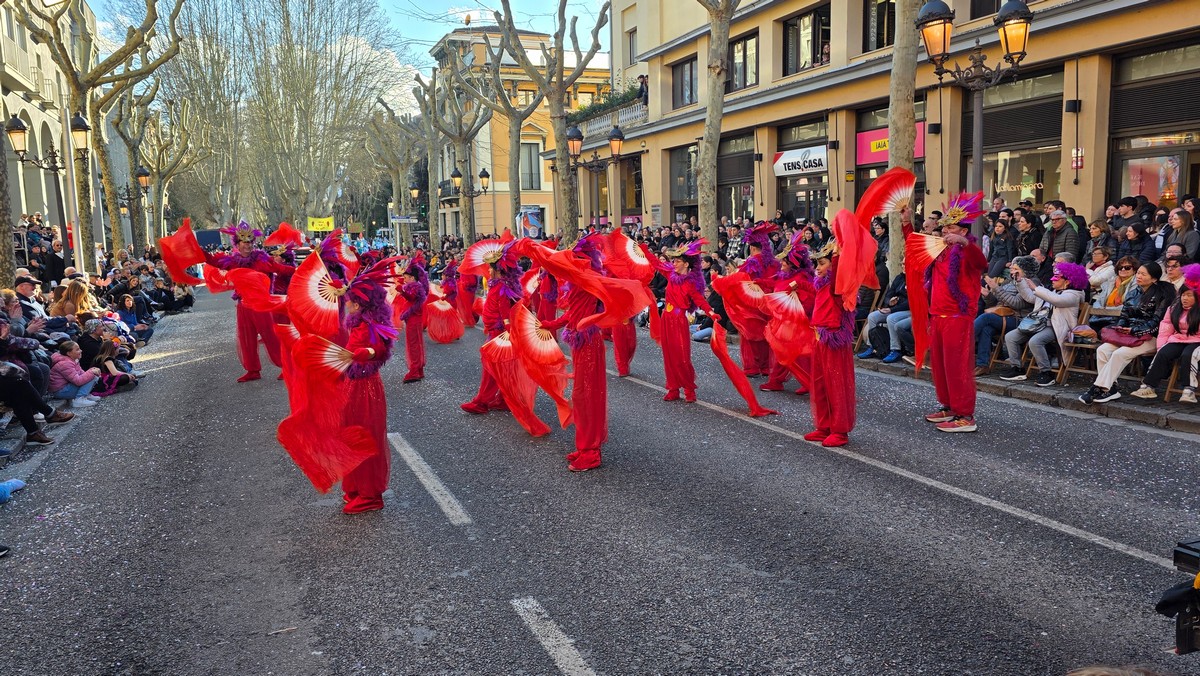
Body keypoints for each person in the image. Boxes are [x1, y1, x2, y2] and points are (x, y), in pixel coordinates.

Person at [916, 193, 988, 432]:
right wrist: (906, 223)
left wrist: (965, 243)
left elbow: (982, 264)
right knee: (940, 366)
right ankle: (949, 406)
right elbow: (914, 248)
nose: (946, 232)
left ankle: (965, 416)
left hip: (957, 315)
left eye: (952, 228)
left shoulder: (967, 251)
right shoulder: (940, 250)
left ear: (964, 231)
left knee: (957, 367)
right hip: (937, 314)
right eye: (945, 228)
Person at [204, 221, 295, 382]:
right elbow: (213, 261)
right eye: (244, 242)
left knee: (271, 337)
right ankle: (253, 371)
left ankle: (286, 366)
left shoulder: (262, 260)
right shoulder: (232, 262)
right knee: (247, 339)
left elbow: (281, 269)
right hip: (243, 305)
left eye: (250, 242)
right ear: (237, 244)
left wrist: (301, 269)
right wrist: (196, 250)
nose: (248, 245)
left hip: (261, 305)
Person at [1079, 261, 1175, 404]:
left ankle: (1098, 387)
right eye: (1138, 273)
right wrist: (1121, 327)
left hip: (1150, 336)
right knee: (1103, 350)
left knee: (1120, 353)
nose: (1139, 276)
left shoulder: (1163, 294)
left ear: (1154, 278)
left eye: (1143, 274)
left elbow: (1158, 320)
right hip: (1128, 335)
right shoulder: (1132, 293)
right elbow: (1124, 316)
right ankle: (1111, 388)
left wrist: (1135, 330)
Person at [998, 262, 1087, 386]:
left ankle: (1046, 373)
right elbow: (1030, 297)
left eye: (1056, 277)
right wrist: (1020, 282)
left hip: (1056, 327)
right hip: (1038, 323)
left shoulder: (1073, 295)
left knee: (1035, 341)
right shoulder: (1051, 291)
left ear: (1067, 281)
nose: (1052, 279)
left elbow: (1057, 300)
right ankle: (1017, 368)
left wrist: (1036, 288)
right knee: (1010, 337)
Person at [804, 241, 856, 447]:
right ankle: (824, 426)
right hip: (819, 339)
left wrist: (837, 255)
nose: (817, 268)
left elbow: (838, 277)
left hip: (833, 341)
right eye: (817, 264)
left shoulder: (838, 287)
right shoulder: (822, 284)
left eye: (822, 263)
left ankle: (840, 431)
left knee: (836, 386)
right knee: (820, 385)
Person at [461, 240, 522, 414]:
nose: (488, 271)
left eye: (490, 268)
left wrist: (508, 331)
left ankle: (481, 402)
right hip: (496, 331)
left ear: (497, 270)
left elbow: (505, 313)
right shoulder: (499, 284)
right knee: (501, 367)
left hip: (498, 333)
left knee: (490, 368)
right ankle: (503, 399)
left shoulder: (501, 286)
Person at [657, 239, 715, 402]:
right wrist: (644, 251)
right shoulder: (670, 275)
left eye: (677, 261)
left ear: (686, 264)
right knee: (669, 356)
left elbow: (700, 300)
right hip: (666, 319)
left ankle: (689, 389)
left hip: (678, 321)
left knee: (682, 356)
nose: (674, 263)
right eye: (673, 261)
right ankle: (673, 389)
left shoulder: (690, 283)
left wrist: (711, 313)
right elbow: (656, 264)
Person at [1131, 276, 1200, 401]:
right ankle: (1149, 386)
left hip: (1197, 341)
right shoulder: (1174, 308)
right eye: (1183, 295)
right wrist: (1161, 346)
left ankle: (1189, 390)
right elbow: (1166, 327)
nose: (1184, 298)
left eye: (1189, 295)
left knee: (1189, 354)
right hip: (1179, 339)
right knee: (1163, 353)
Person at [975, 256, 1038, 375]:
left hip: (1019, 319)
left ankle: (961, 341)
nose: (1011, 270)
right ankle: (982, 364)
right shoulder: (1009, 281)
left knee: (986, 318)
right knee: (986, 329)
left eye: (1015, 268)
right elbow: (994, 302)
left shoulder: (1031, 282)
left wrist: (996, 288)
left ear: (1024, 270)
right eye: (1012, 268)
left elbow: (1017, 303)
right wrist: (987, 295)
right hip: (1003, 316)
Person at [738, 221, 780, 377]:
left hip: (753, 303)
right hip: (769, 303)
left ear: (751, 247)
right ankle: (766, 367)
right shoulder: (775, 263)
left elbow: (739, 280)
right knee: (766, 334)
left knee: (750, 335)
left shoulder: (752, 262)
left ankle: (752, 367)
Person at [396, 257, 429, 383]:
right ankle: (418, 370)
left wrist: (402, 291)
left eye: (406, 277)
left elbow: (411, 297)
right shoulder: (415, 286)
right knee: (416, 344)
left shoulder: (416, 287)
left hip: (414, 319)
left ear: (412, 277)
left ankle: (415, 371)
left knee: (413, 345)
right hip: (413, 318)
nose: (404, 280)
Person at [48, 341, 101, 408]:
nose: (81, 351)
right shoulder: (65, 363)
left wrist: (92, 370)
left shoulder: (72, 360)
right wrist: (91, 372)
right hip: (60, 391)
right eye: (77, 349)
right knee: (92, 375)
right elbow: (78, 381)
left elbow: (82, 374)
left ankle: (86, 394)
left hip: (66, 387)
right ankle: (79, 399)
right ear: (69, 353)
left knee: (93, 375)